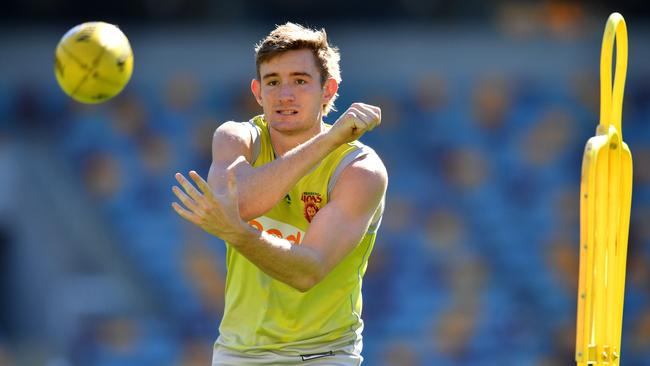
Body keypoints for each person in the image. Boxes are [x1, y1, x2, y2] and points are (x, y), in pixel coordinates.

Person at [171, 22, 387, 365]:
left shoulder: (360, 170)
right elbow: (243, 203)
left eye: (300, 81)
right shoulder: (235, 138)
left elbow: (307, 272)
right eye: (273, 82)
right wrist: (328, 140)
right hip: (237, 352)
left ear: (328, 91)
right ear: (258, 92)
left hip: (325, 354)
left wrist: (239, 235)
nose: (284, 94)